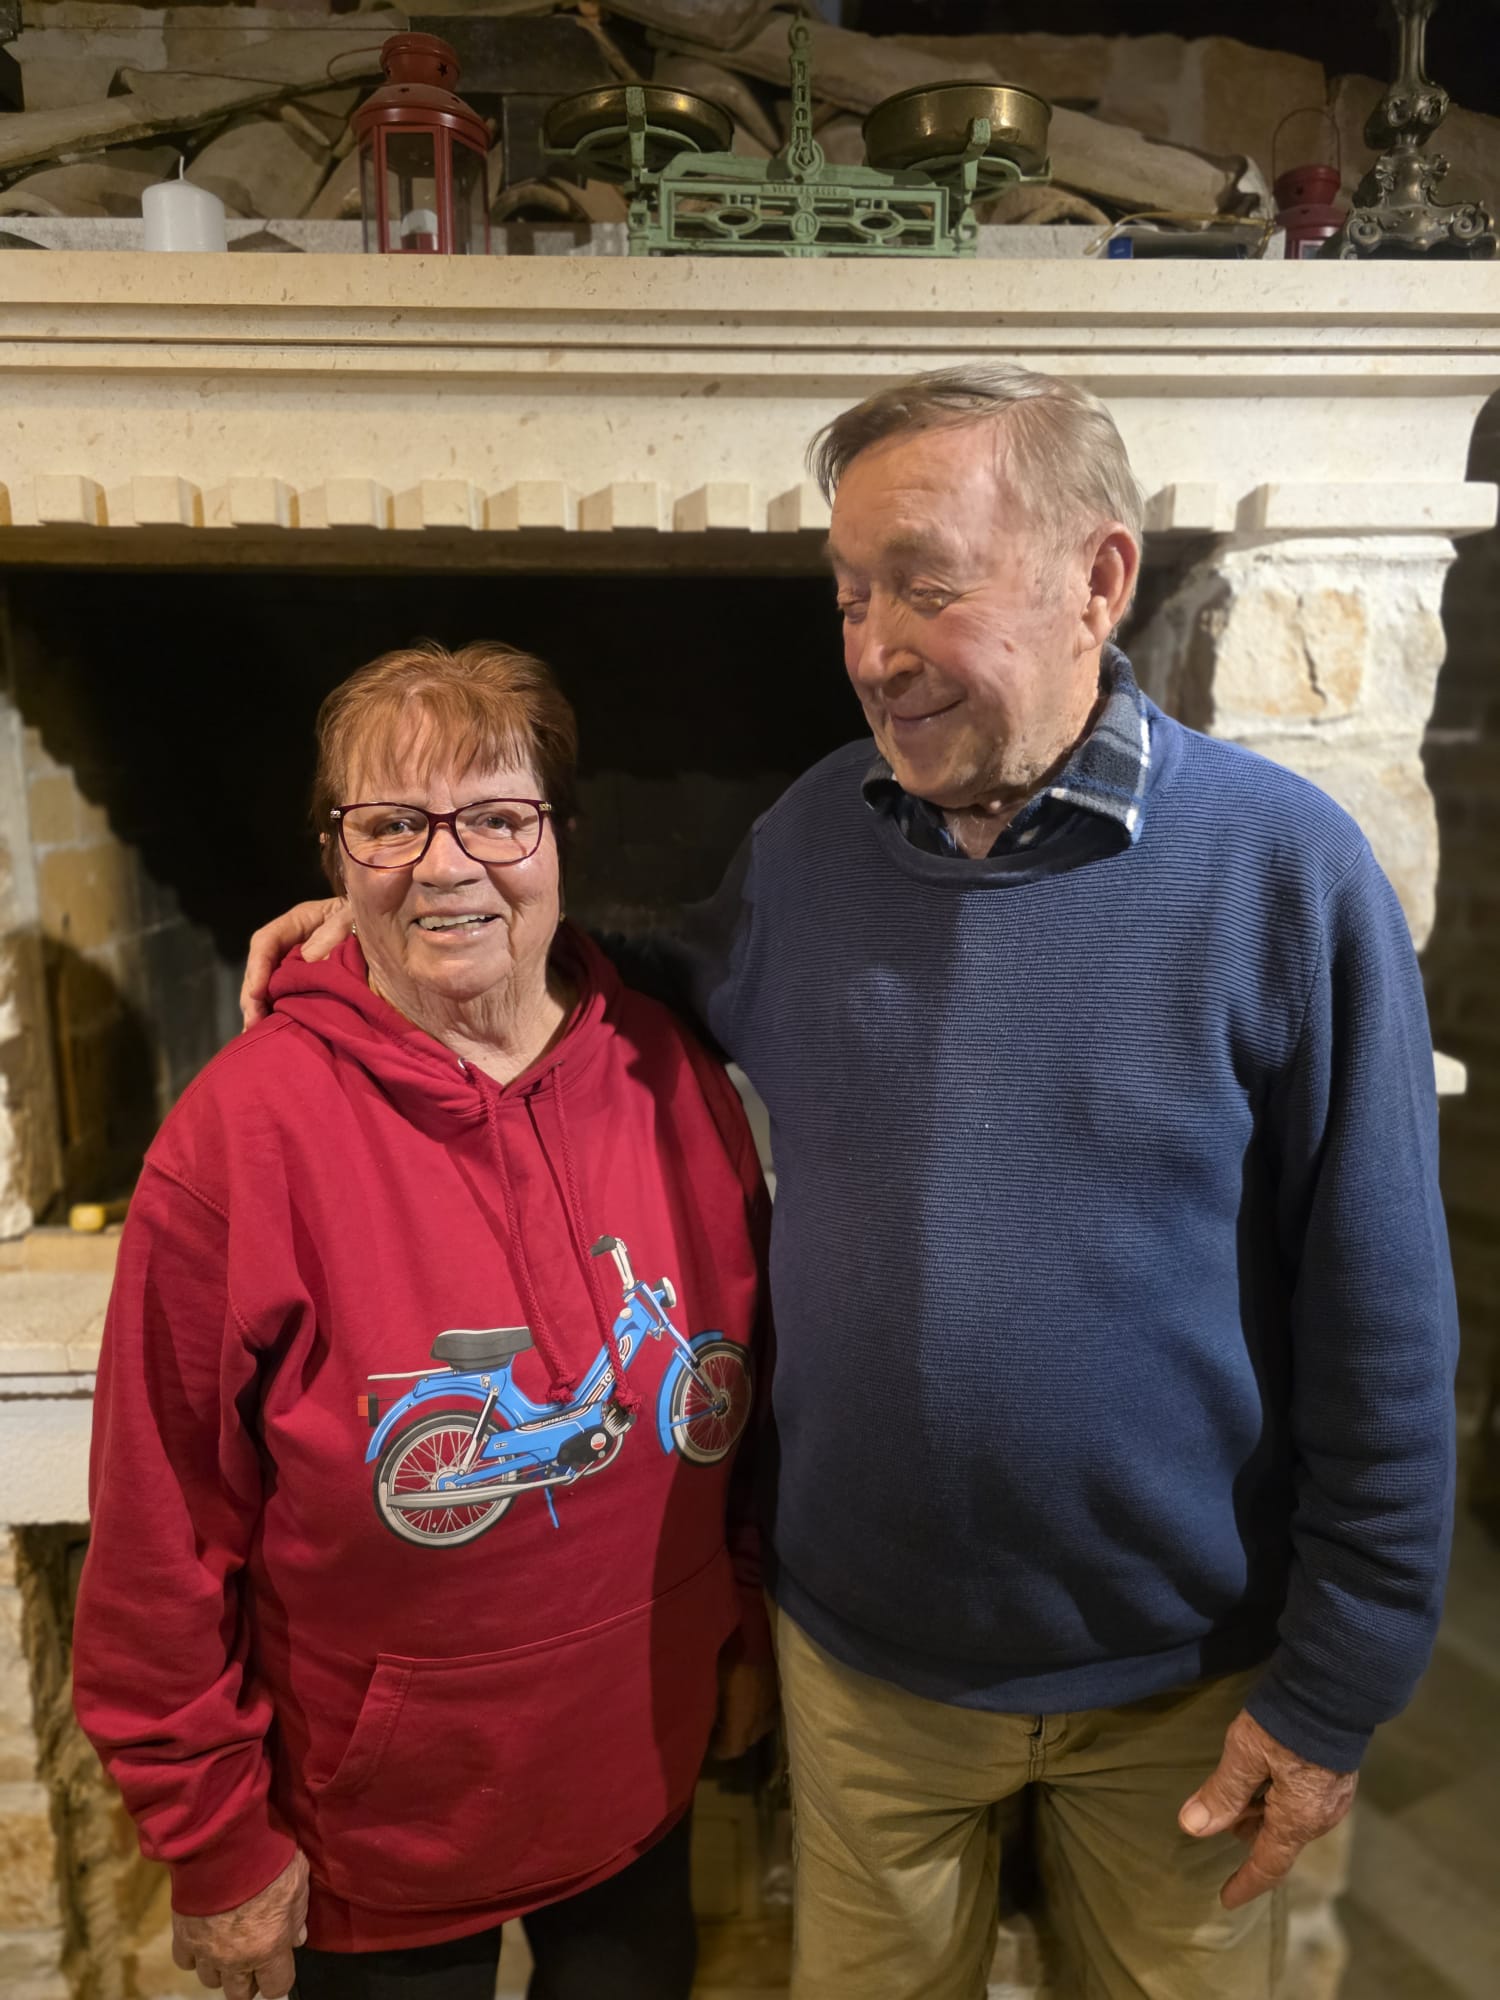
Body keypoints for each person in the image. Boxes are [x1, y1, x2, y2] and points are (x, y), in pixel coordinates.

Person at [242, 369, 1458, 2000]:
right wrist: (432, 913)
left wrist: (1334, 1691)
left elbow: (1387, 1324)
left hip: (1182, 1680)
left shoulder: (1286, 875)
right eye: (849, 596)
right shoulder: (819, 836)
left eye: (925, 584)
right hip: (865, 1672)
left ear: (1099, 578)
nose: (875, 647)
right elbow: (664, 977)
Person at [75, 641, 776, 2000]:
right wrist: (213, 1842)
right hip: (375, 1845)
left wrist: (737, 1616)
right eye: (392, 824)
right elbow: (160, 1532)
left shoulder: (671, 1073)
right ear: (336, 860)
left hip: (639, 1778)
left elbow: (752, 1395)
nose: (448, 865)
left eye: (497, 817)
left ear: (558, 839)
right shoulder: (242, 1135)